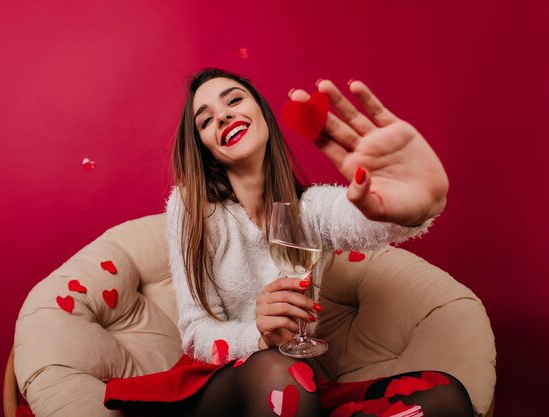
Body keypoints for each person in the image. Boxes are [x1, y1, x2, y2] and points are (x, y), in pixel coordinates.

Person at [104, 68, 473, 417]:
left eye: (234, 100)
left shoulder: (311, 208)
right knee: (280, 373)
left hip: (296, 388)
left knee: (444, 393)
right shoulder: (191, 207)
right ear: (206, 149)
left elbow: (362, 219)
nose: (222, 116)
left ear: (261, 113)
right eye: (205, 119)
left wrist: (409, 206)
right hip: (217, 385)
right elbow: (196, 332)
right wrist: (259, 337)